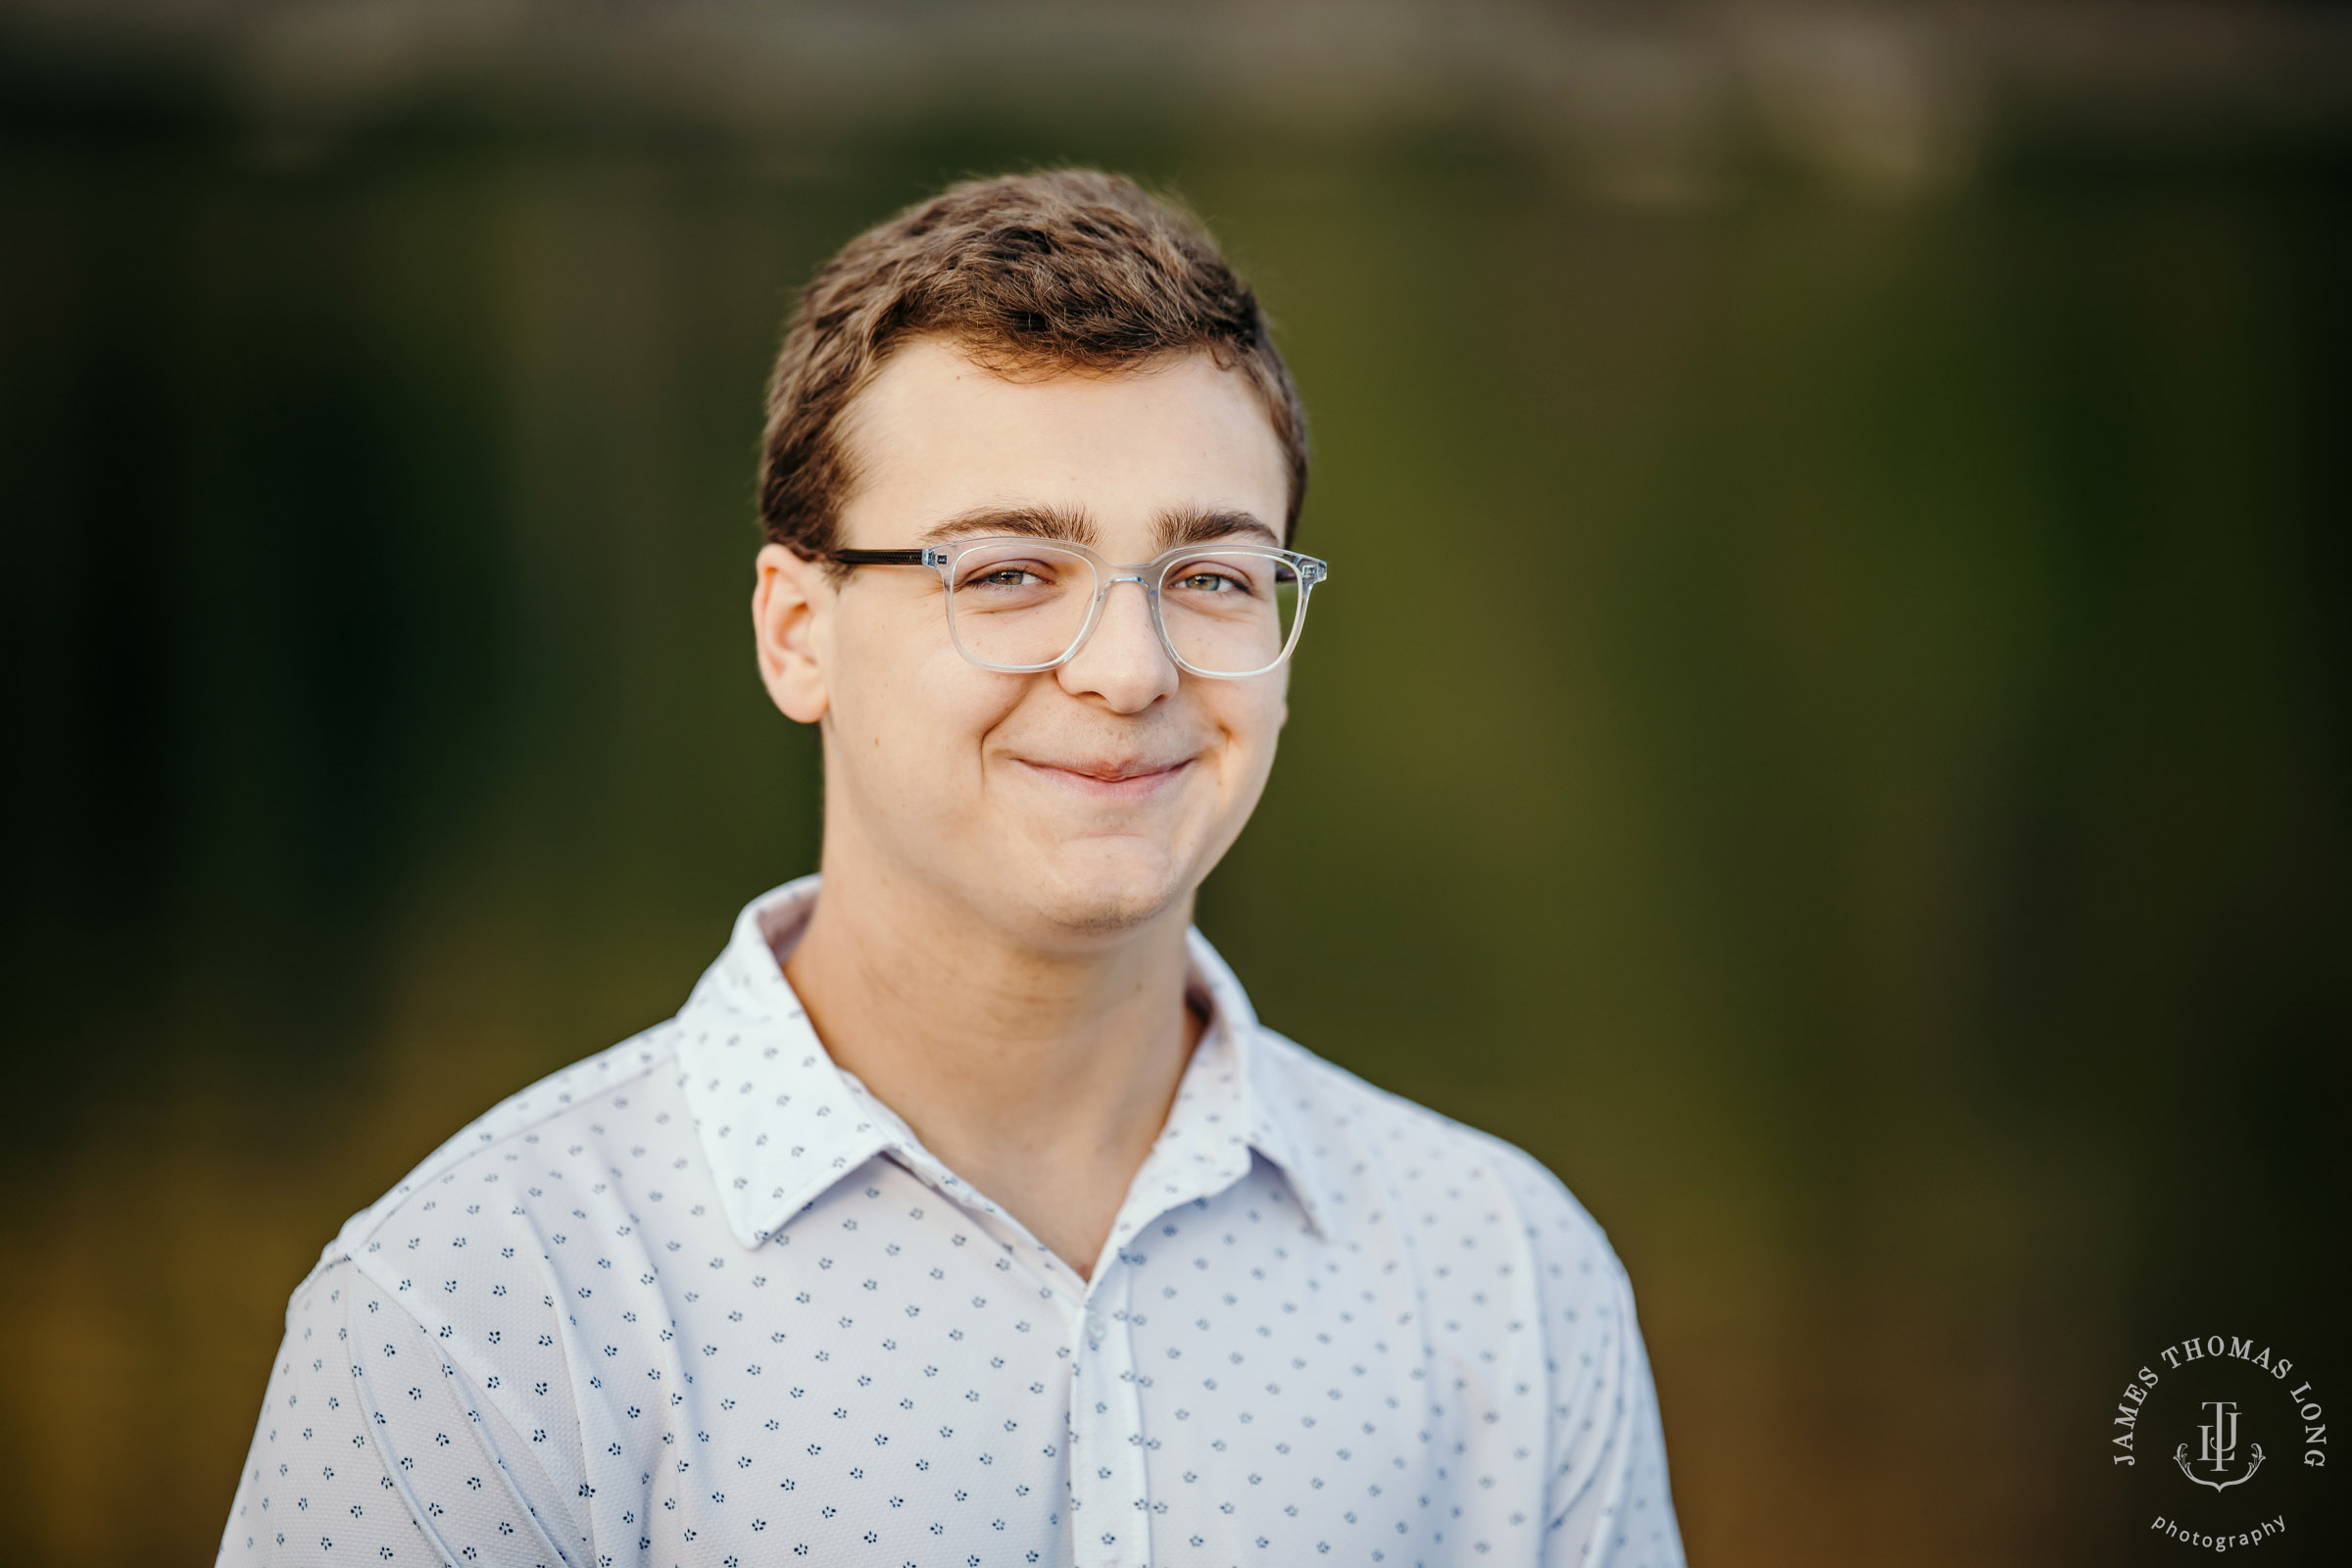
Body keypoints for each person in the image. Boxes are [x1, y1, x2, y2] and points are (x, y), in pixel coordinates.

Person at [219, 170, 1684, 1568]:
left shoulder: (1507, 1285)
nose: (1128, 669)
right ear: (797, 632)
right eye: (1004, 572)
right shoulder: (475, 1315)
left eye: (1214, 577)